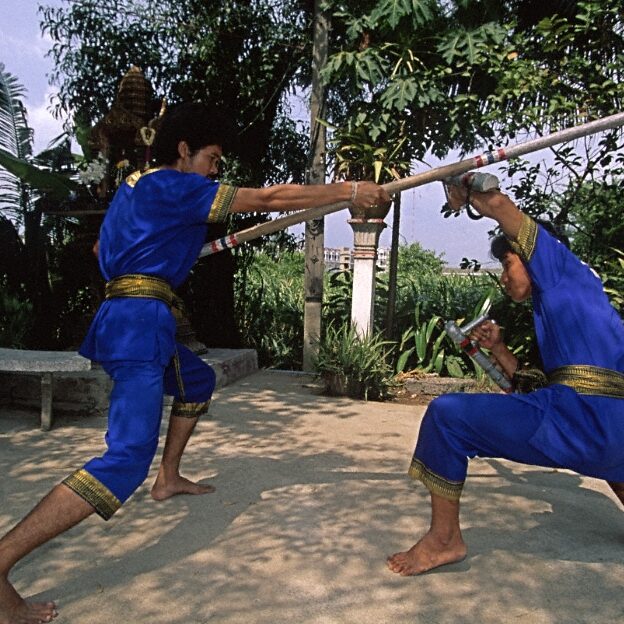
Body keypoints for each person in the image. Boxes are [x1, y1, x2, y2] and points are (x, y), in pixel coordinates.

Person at [0, 101, 391, 624]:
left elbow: (100, 251)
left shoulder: (132, 189)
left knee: (197, 379)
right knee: (123, 460)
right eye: (210, 158)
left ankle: (170, 477)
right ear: (183, 151)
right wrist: (350, 191)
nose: (214, 170)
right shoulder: (174, 184)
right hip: (140, 324)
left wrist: (169, 248)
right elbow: (272, 197)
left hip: (130, 314)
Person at [387, 179, 624, 577]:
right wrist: (496, 351)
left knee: (447, 416)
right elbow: (533, 390)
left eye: (506, 263)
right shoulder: (573, 302)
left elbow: (497, 202)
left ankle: (445, 540)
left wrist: (466, 191)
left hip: (586, 423)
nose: (502, 276)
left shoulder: (559, 266)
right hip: (611, 432)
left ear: (531, 256)